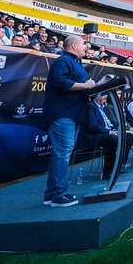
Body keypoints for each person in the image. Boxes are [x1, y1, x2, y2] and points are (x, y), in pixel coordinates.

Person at [42, 35, 95, 208]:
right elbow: (60, 82)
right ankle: (58, 194)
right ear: (72, 46)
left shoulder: (76, 63)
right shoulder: (63, 61)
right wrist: (85, 85)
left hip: (72, 113)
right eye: (82, 44)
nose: (86, 47)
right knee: (62, 153)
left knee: (61, 153)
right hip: (62, 114)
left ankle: (52, 194)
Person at [77, 93, 133, 179]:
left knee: (128, 136)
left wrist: (114, 130)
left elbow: (108, 122)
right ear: (96, 97)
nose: (105, 97)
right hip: (94, 135)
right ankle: (108, 171)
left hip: (106, 133)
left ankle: (118, 165)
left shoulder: (103, 107)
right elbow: (93, 126)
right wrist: (109, 132)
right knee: (112, 139)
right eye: (103, 95)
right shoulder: (90, 107)